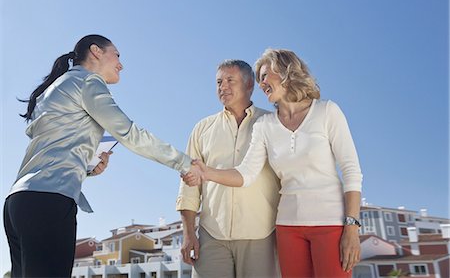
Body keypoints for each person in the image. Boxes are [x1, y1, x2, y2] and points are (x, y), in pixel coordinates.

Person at [3, 34, 198, 278]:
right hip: (49, 202)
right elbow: (129, 133)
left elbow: (53, 148)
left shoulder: (56, 87)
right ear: (95, 51)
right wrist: (184, 163)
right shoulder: (88, 82)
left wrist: (87, 168)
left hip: (18, 203)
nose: (121, 64)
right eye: (117, 55)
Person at [186, 49, 363, 278]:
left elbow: (351, 171)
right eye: (259, 78)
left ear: (286, 72)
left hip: (330, 223)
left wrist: (351, 227)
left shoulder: (327, 111)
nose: (261, 83)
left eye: (265, 75)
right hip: (287, 228)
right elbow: (246, 174)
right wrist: (206, 173)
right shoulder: (265, 125)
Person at [176, 60, 281, 278]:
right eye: (218, 82)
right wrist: (188, 234)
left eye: (230, 81)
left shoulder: (272, 123)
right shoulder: (202, 128)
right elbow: (188, 188)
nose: (223, 87)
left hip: (261, 235)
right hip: (212, 236)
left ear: (249, 84)